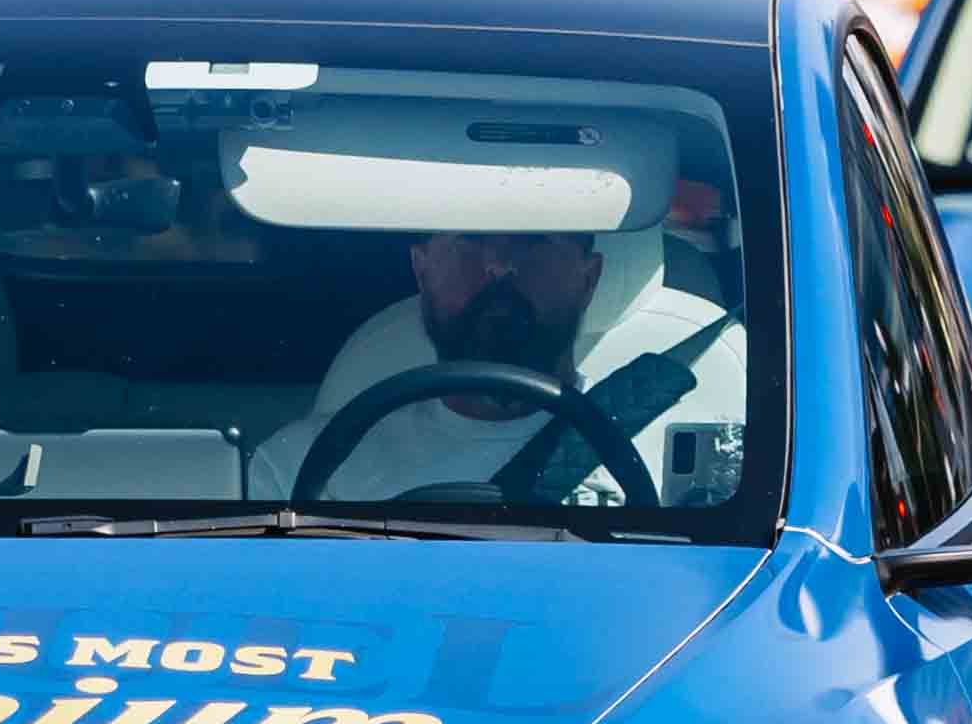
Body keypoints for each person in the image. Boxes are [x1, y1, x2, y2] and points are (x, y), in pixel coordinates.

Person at [268, 171, 743, 509]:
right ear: (421, 269)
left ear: (588, 278)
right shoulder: (307, 463)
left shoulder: (704, 458)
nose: (499, 266)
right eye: (471, 240)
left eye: (535, 240)